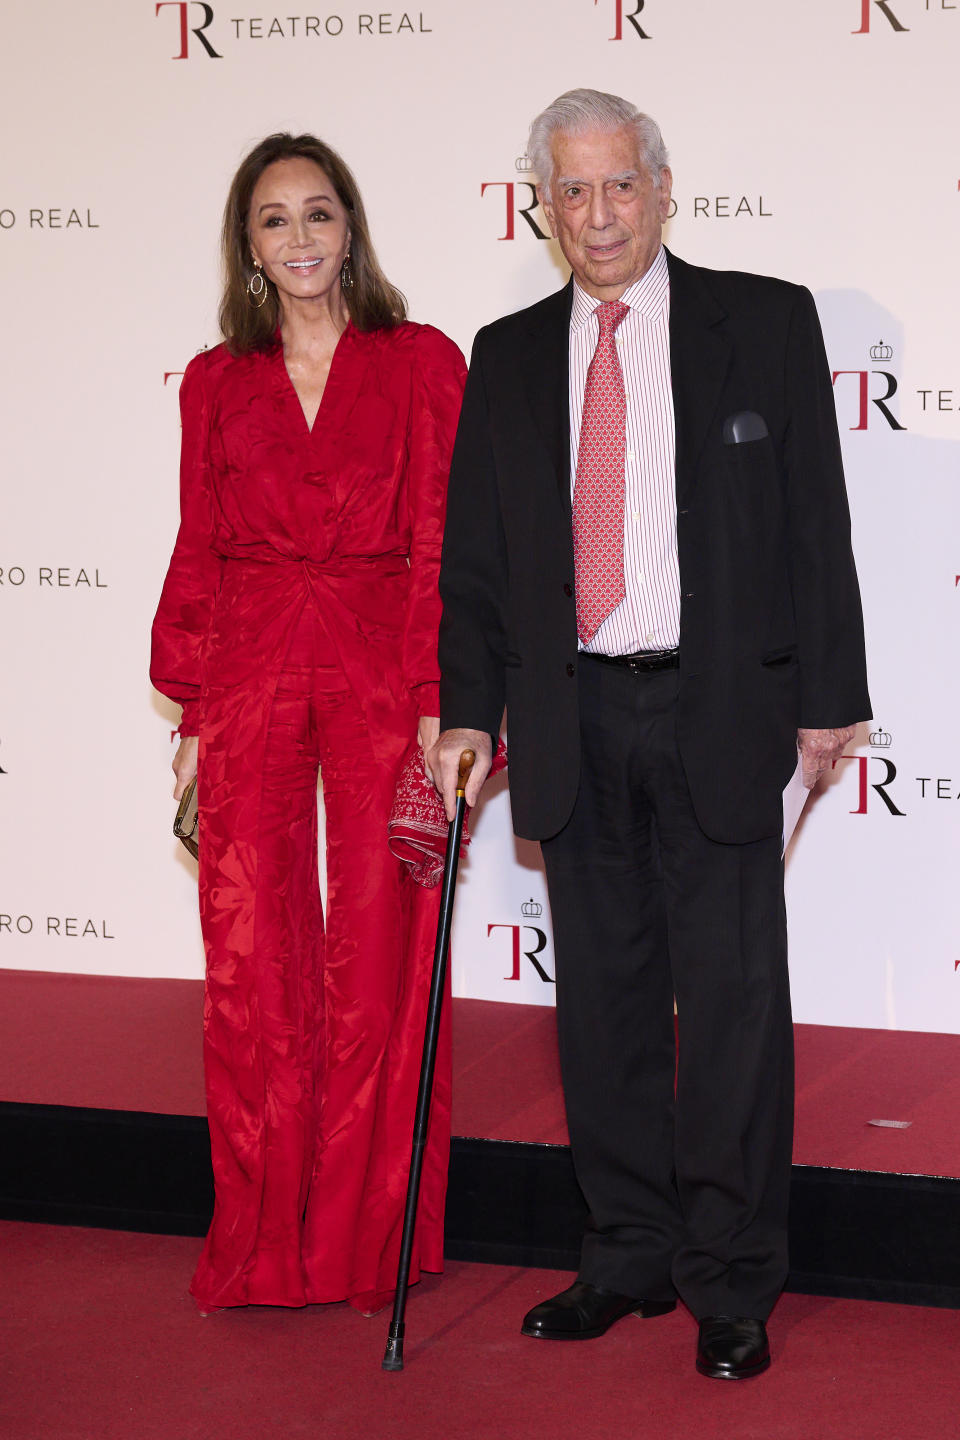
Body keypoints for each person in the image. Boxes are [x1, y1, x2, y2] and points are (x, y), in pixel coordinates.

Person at [428, 89, 870, 1379]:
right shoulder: (505, 355)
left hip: (720, 707)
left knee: (732, 1007)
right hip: (572, 713)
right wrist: (468, 710)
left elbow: (814, 524)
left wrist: (829, 695)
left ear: (664, 190)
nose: (597, 214)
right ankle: (625, 1251)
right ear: (542, 206)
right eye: (570, 191)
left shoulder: (765, 321)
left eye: (619, 185)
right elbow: (475, 570)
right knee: (603, 1010)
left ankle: (731, 1278)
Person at [151, 133, 466, 1314]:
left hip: (389, 673)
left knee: (385, 943)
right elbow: (199, 542)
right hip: (248, 674)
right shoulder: (215, 379)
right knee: (251, 960)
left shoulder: (424, 362)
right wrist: (189, 705)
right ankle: (268, 1235)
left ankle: (366, 1236)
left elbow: (447, 545)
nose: (299, 239)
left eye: (318, 214)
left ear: (352, 229)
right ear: (247, 243)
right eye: (273, 219)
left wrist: (451, 702)